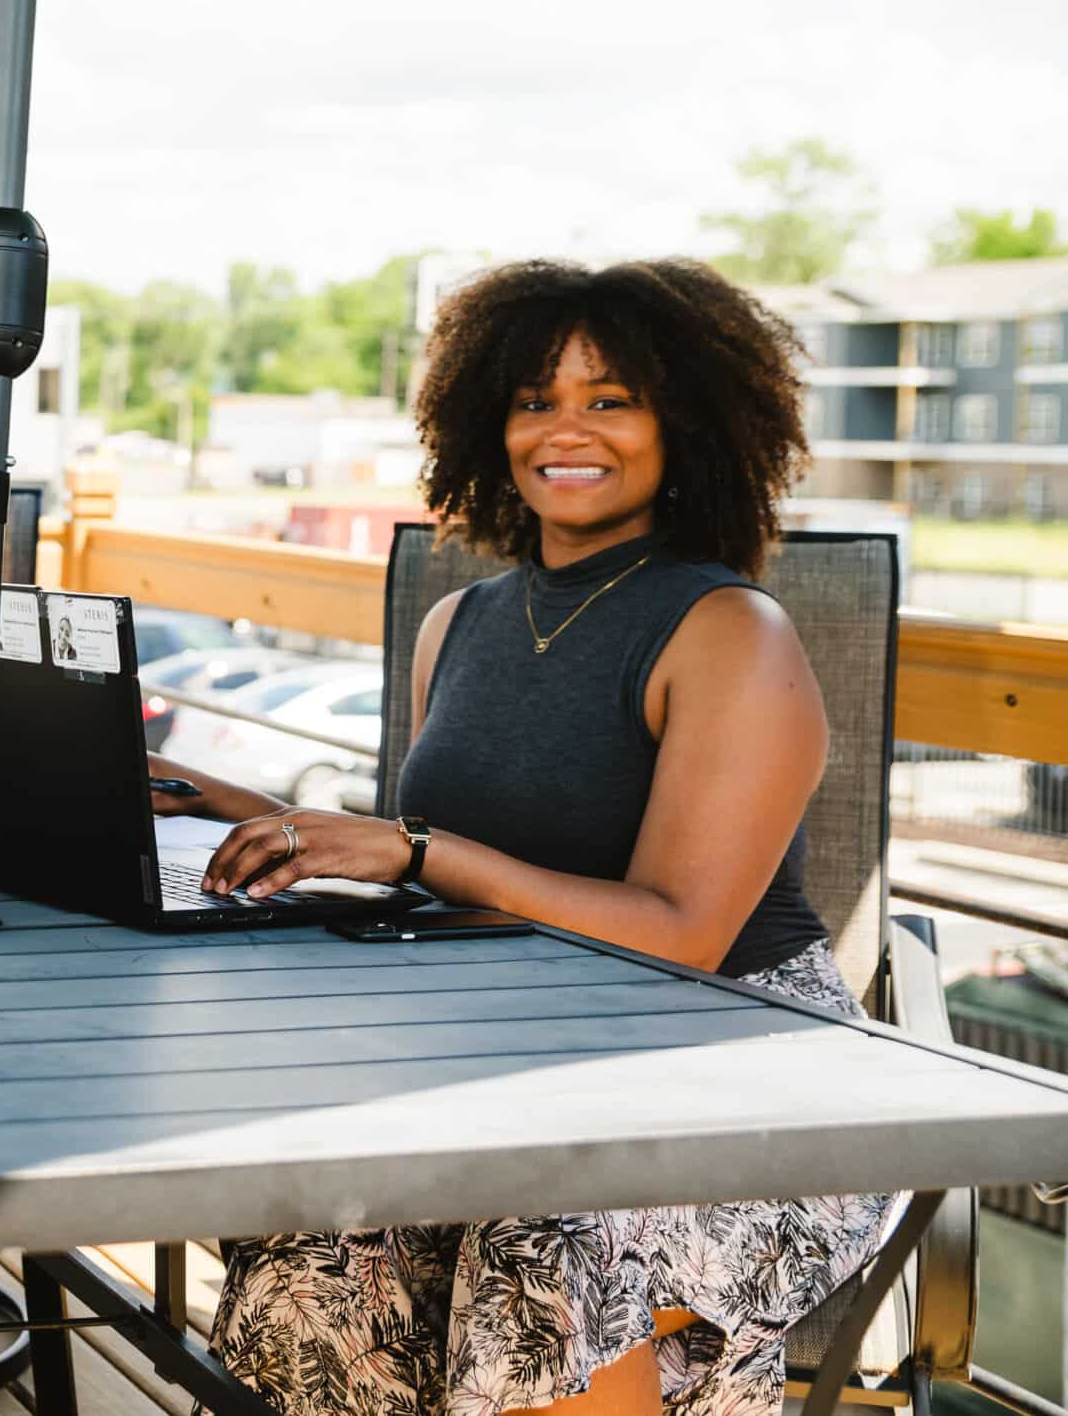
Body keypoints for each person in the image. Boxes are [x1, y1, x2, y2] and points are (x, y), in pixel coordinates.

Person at [155, 257, 892, 1416]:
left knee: (539, 1234)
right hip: (511, 1042)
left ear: (685, 421)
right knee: (317, 1252)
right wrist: (230, 805)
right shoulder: (460, 621)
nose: (565, 429)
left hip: (737, 1070)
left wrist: (408, 848)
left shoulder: (727, 632)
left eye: (610, 399)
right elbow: (450, 841)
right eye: (533, 399)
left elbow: (682, 936)